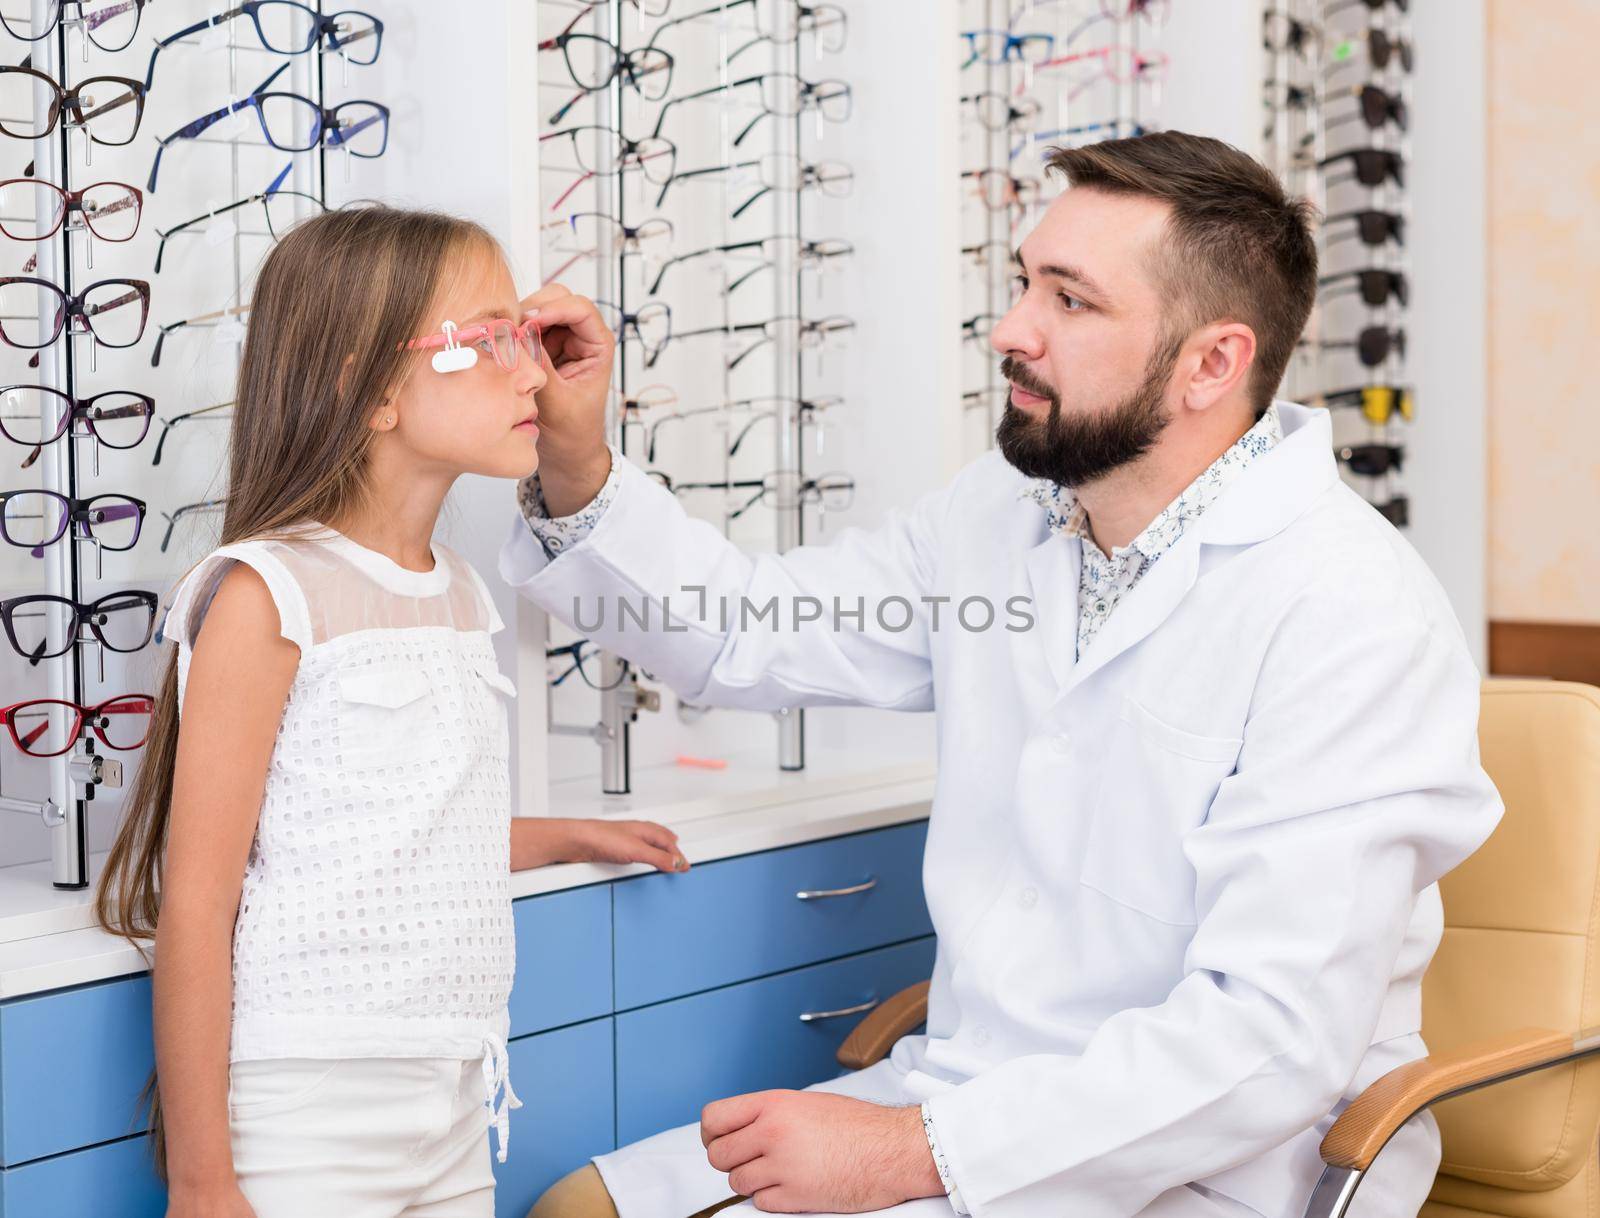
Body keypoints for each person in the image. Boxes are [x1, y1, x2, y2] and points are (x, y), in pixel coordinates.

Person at [507, 132, 1504, 1217]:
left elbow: (1266, 1042)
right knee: (578, 1206)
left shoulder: (1348, 614)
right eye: (1025, 281)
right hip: (970, 1095)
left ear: (1210, 363)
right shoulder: (1003, 514)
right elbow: (751, 629)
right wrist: (575, 457)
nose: (1011, 330)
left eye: (1070, 302)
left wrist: (906, 1153)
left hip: (1214, 1164)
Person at [93, 205, 689, 1218]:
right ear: (365, 390)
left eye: (526, 337)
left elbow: (391, 831)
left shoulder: (458, 590)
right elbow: (199, 904)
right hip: (311, 1116)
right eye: (490, 340)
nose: (531, 372)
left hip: (457, 1100)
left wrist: (565, 836)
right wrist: (203, 1181)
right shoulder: (263, 596)